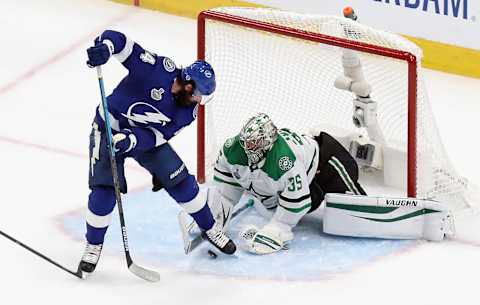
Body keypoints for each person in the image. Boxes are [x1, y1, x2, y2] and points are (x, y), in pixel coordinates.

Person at [79, 30, 236, 274]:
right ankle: (93, 245)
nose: (197, 101)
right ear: (186, 84)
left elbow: (157, 137)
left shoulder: (187, 112)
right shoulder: (156, 70)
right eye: (196, 94)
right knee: (105, 191)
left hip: (142, 139)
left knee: (182, 183)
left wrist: (132, 140)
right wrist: (106, 49)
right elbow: (119, 41)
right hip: (109, 128)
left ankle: (210, 228)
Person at [212, 113, 366, 255]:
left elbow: (298, 201)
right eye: (247, 141)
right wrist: (215, 218)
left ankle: (365, 205)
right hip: (306, 176)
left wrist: (278, 228)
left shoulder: (284, 160)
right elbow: (226, 187)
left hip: (327, 162)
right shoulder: (231, 148)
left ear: (268, 140)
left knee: (348, 198)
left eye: (255, 142)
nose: (248, 147)